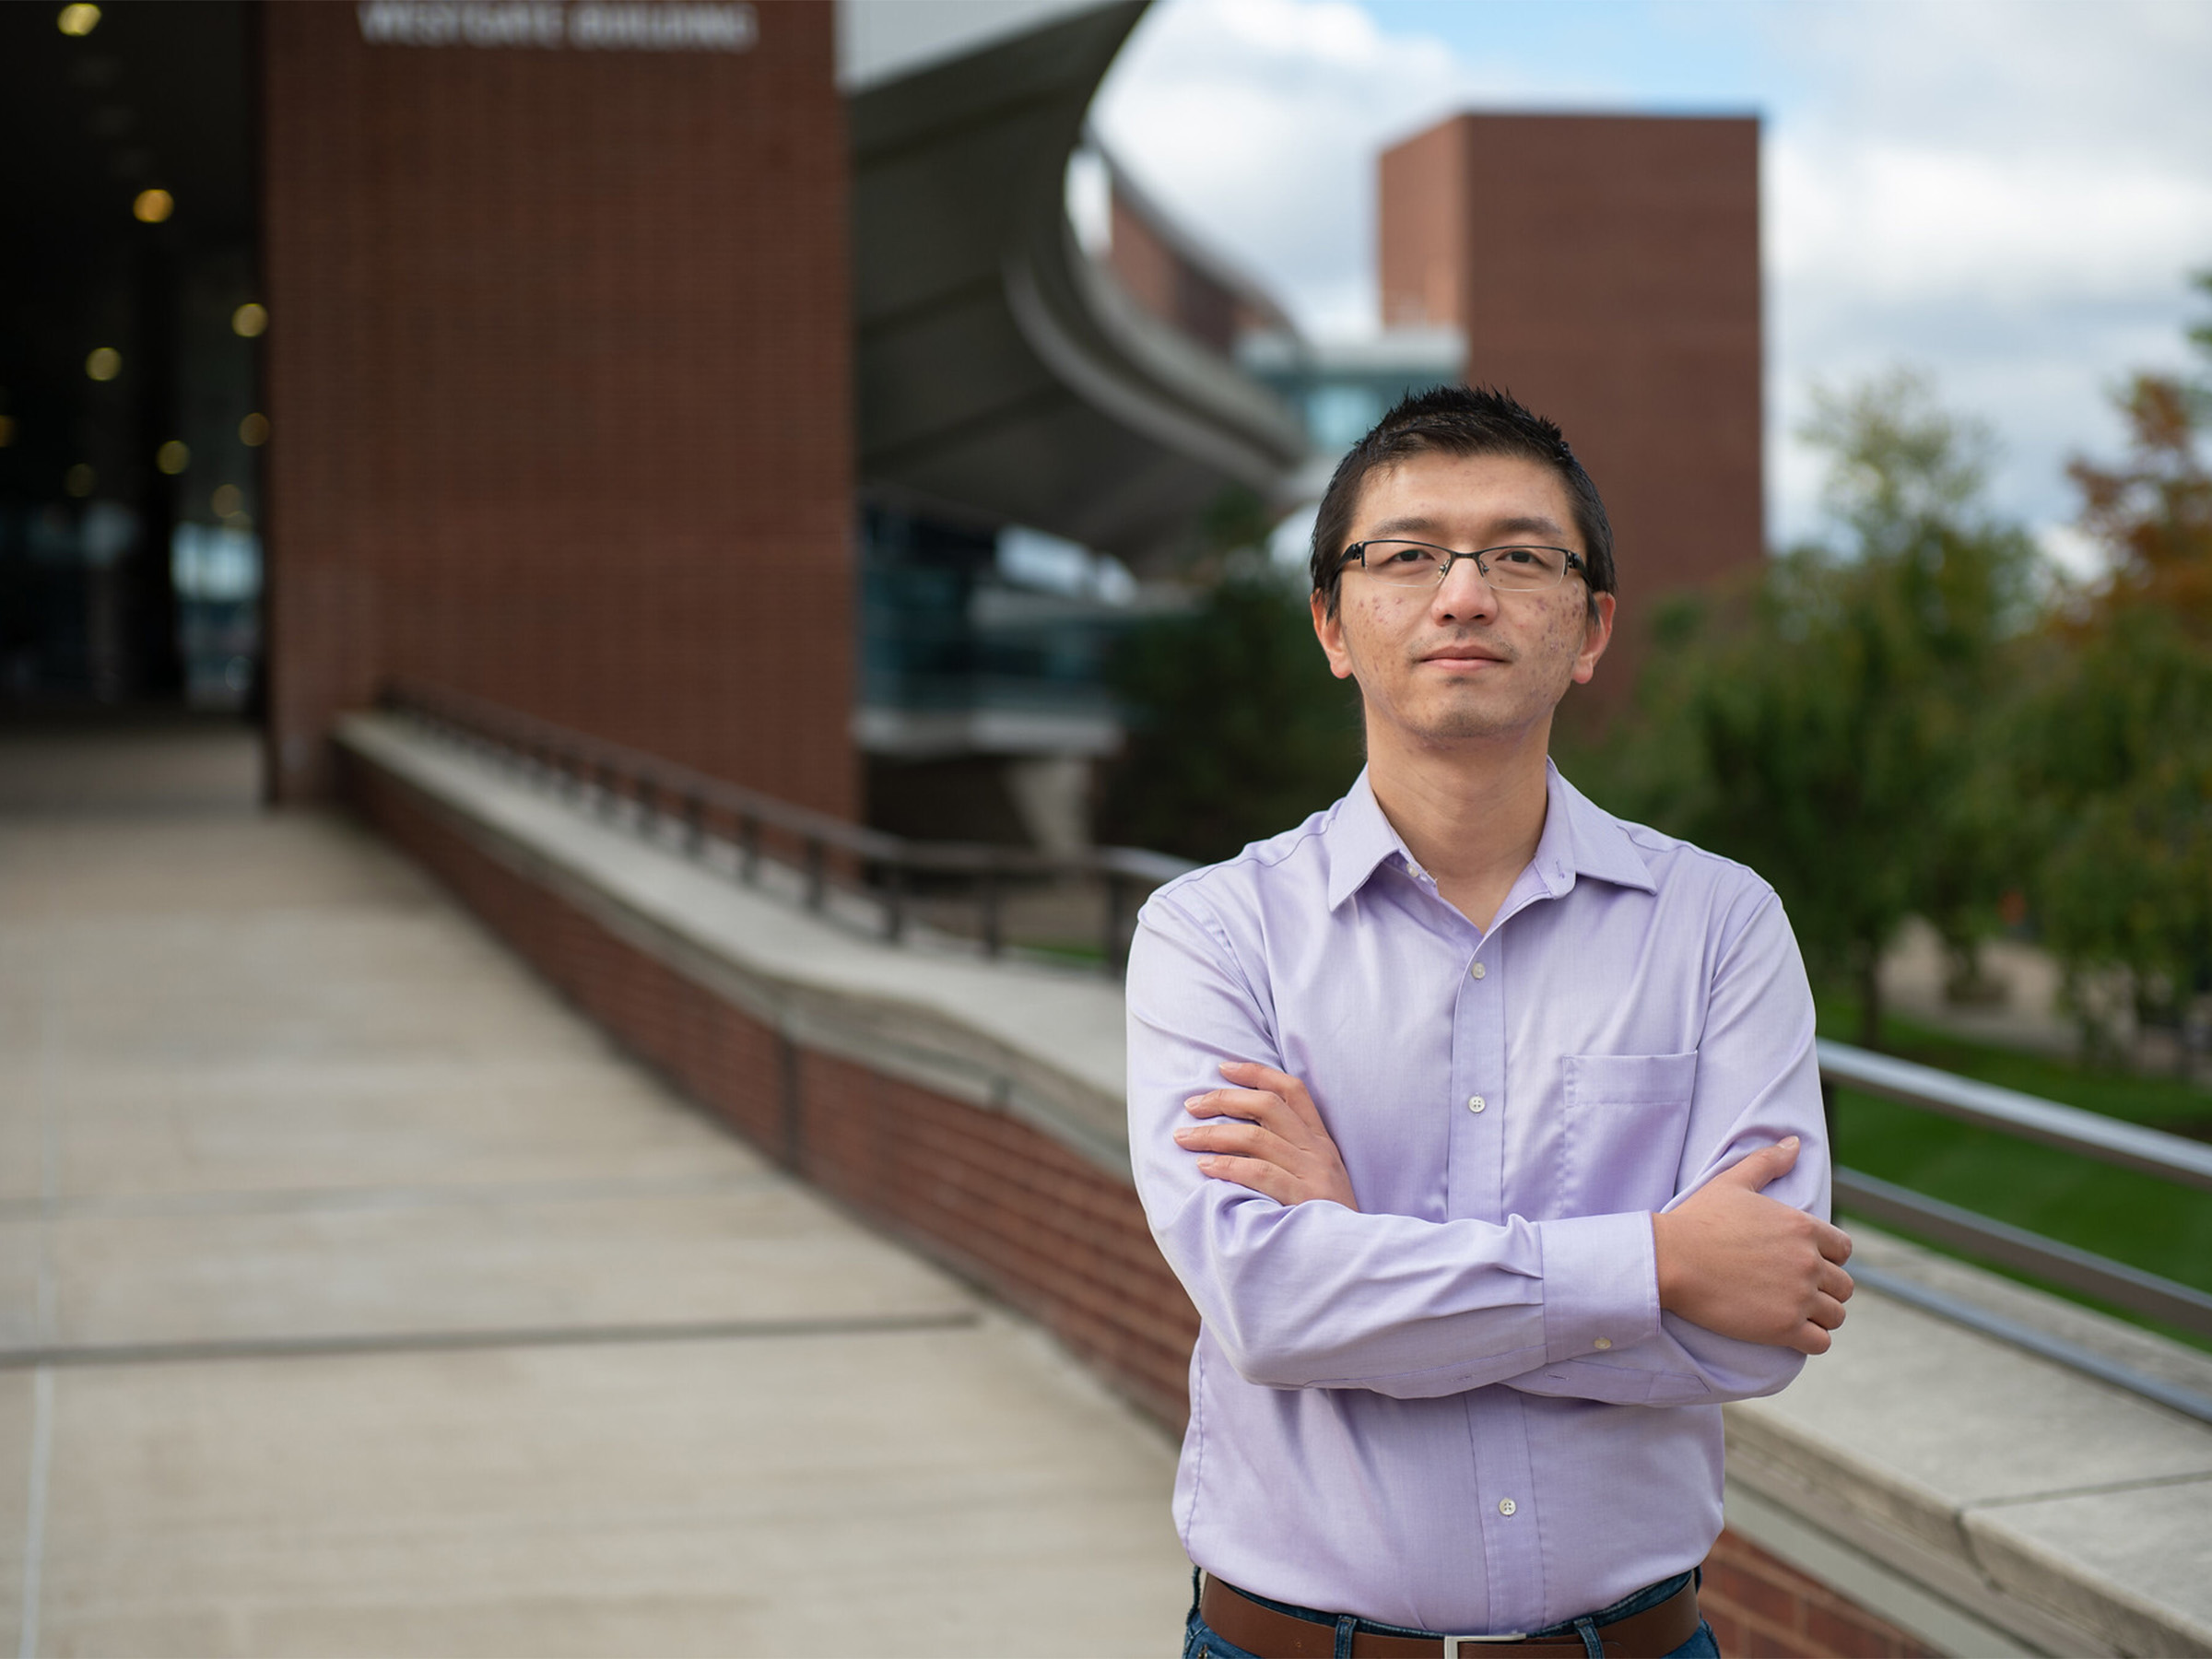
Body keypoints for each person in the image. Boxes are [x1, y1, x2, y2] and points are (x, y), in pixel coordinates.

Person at [1125, 385, 1854, 1659]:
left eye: (1521, 557)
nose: (1464, 594)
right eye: (1408, 556)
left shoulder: (1719, 925)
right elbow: (1269, 1313)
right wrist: (1657, 1262)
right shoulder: (1214, 934)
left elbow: (1757, 1332)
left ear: (1590, 628)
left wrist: (1359, 1250)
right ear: (1332, 625)